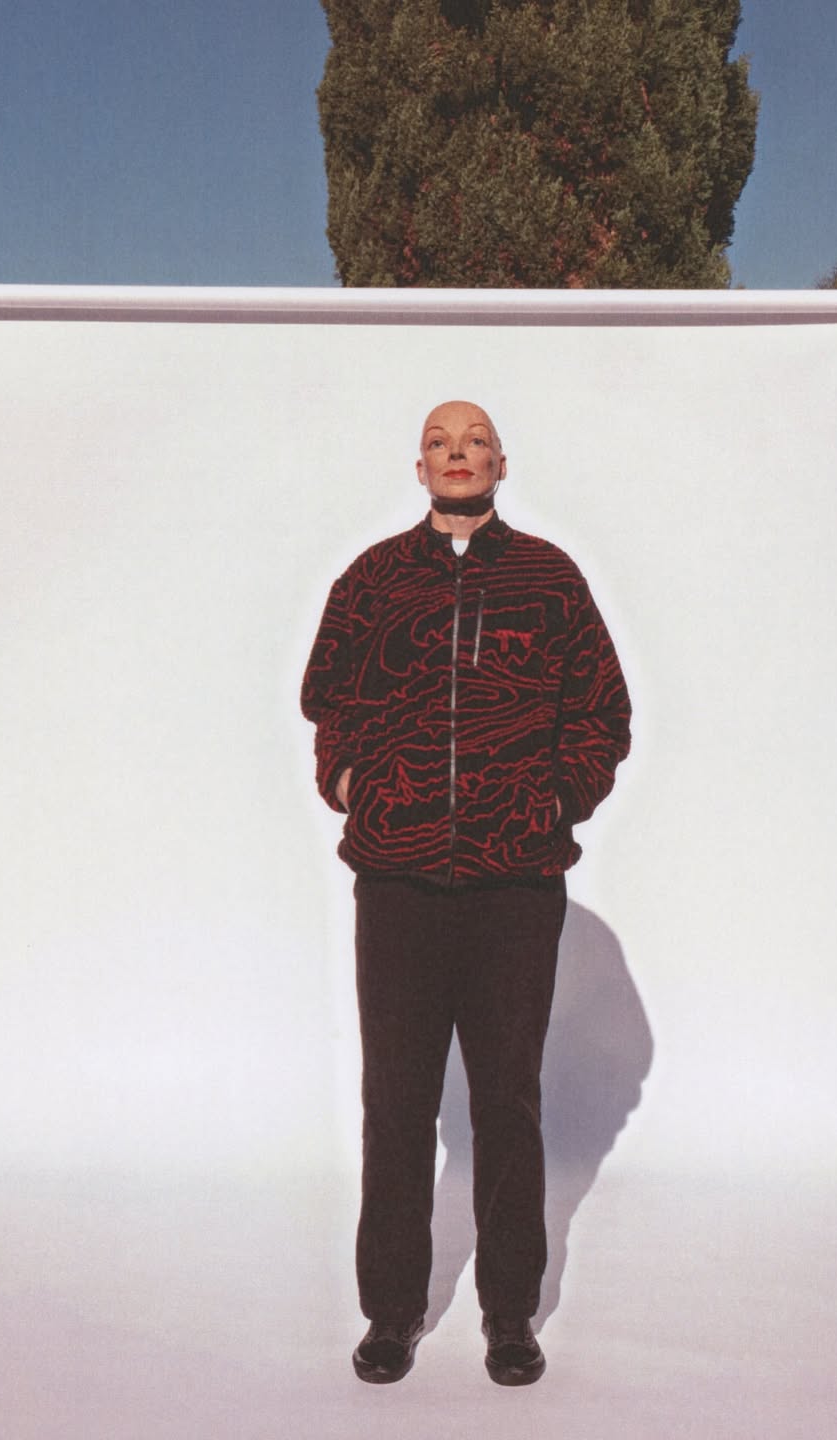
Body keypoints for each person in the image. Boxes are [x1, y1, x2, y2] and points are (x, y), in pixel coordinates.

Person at [301, 400, 631, 1386]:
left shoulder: (549, 579)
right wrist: (350, 782)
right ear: (420, 468)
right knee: (396, 1102)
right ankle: (392, 1311)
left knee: (508, 1103)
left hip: (514, 887)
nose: (457, 454)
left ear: (499, 463)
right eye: (440, 443)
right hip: (397, 881)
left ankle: (509, 1313)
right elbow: (327, 696)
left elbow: (603, 711)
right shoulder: (372, 579)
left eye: (474, 441)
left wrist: (555, 799)